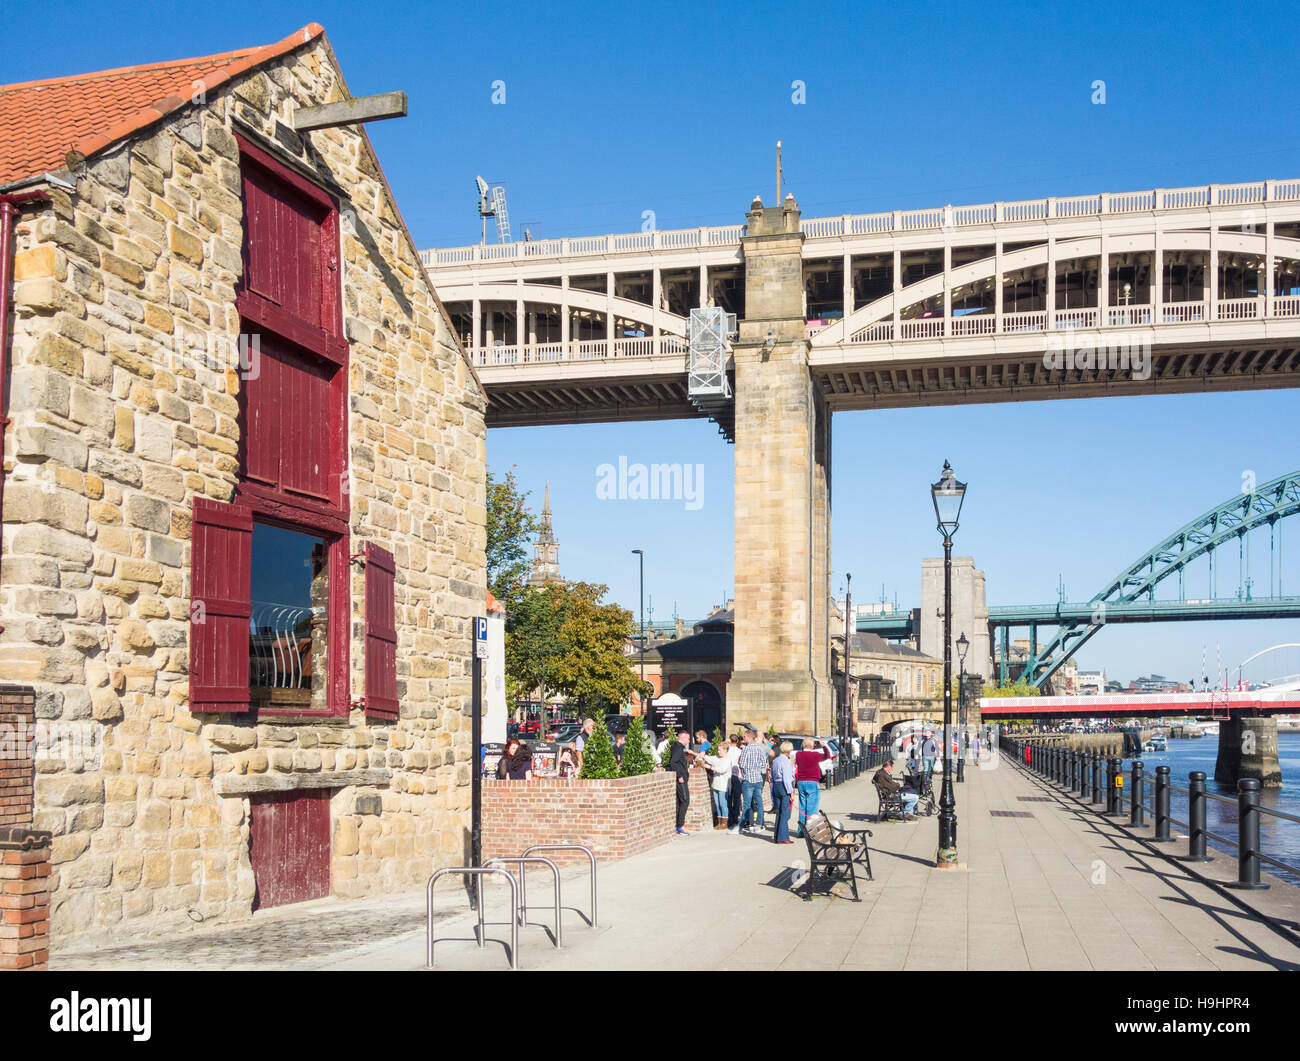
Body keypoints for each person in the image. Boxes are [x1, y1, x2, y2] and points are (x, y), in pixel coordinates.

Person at [794, 738, 832, 837]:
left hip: (801, 782)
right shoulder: (815, 755)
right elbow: (828, 756)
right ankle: (810, 831)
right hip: (812, 781)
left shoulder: (798, 754)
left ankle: (801, 831)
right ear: (812, 746)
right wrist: (823, 745)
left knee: (803, 807)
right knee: (812, 808)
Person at [737, 729, 770, 833]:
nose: (743, 739)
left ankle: (744, 825)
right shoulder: (759, 748)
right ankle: (759, 824)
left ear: (748, 737)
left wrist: (748, 769)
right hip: (758, 779)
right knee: (759, 803)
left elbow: (741, 764)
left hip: (748, 779)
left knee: (747, 804)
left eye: (744, 737)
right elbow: (763, 763)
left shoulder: (746, 749)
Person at [700, 744, 733, 830]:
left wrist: (710, 767)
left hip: (723, 785)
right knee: (717, 804)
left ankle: (725, 822)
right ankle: (719, 822)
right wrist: (699, 754)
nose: (718, 752)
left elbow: (722, 769)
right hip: (716, 784)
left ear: (725, 750)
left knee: (723, 804)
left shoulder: (727, 760)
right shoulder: (716, 758)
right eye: (718, 750)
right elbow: (708, 758)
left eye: (720, 750)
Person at [770, 741, 796, 844]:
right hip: (784, 787)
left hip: (776, 785)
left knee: (779, 812)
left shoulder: (776, 760)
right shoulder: (785, 761)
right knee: (785, 813)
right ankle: (783, 837)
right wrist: (791, 792)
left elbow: (771, 775)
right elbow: (786, 778)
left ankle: (777, 836)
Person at [670, 729, 693, 834]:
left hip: (682, 777)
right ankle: (680, 826)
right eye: (688, 739)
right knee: (685, 800)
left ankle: (678, 825)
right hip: (681, 779)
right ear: (682, 738)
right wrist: (679, 775)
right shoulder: (678, 748)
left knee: (680, 802)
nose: (689, 741)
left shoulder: (678, 747)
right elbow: (673, 762)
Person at [726, 735, 744, 833]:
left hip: (728, 776)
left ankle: (730, 819)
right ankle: (735, 819)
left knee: (729, 798)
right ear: (737, 741)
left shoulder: (727, 751)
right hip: (737, 776)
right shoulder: (740, 751)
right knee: (737, 799)